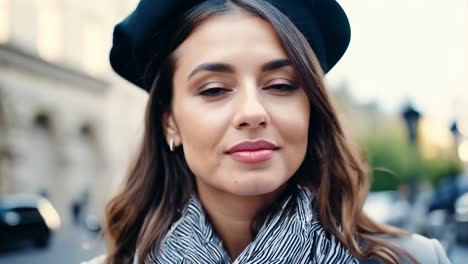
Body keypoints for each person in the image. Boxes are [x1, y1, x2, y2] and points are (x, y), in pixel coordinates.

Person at [84, 0, 451, 263]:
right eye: (214, 90)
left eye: (280, 85)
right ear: (170, 121)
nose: (252, 113)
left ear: (312, 109)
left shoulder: (414, 259)